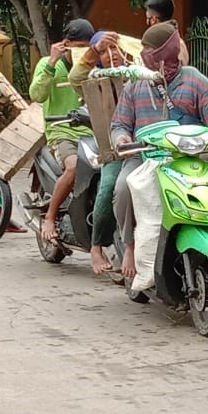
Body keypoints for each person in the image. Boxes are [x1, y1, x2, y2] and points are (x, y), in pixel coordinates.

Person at [110, 21, 208, 315]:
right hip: (146, 158)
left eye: (153, 53)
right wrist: (122, 138)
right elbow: (119, 124)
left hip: (190, 161)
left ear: (170, 53)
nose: (149, 58)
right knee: (124, 186)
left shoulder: (195, 80)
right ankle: (128, 249)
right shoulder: (135, 83)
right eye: (146, 53)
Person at [68, 29, 140, 278]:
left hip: (143, 144)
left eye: (115, 49)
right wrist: (93, 50)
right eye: (105, 52)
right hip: (111, 146)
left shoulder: (137, 73)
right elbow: (75, 76)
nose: (112, 56)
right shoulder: (94, 79)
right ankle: (96, 247)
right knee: (109, 186)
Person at [28, 19, 95, 243]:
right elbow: (37, 95)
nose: (81, 53)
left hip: (92, 131)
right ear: (66, 44)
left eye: (86, 47)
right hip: (61, 131)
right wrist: (52, 62)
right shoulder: (48, 64)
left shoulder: (92, 65)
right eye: (77, 48)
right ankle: (50, 216)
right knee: (75, 167)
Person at [143, 0, 189, 65]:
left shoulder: (157, 44)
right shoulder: (179, 41)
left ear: (153, 19)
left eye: (147, 19)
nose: (147, 23)